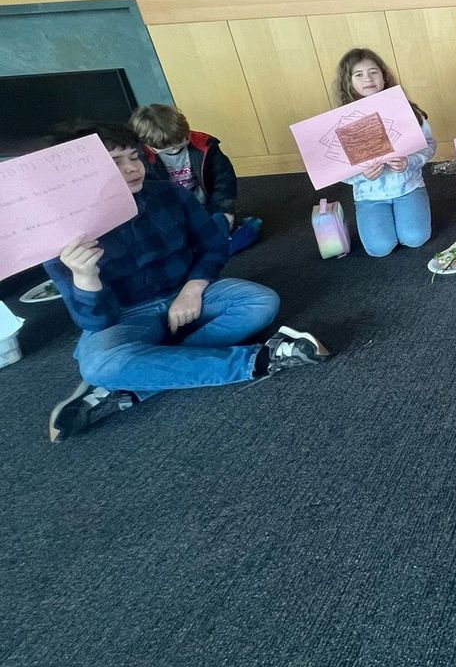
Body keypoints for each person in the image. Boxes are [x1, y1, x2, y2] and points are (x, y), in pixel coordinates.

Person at [42, 122, 330, 442]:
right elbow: (95, 320)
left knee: (261, 301)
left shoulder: (167, 194)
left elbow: (213, 244)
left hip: (188, 292)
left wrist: (193, 289)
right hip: (125, 316)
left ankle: (135, 382)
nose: (131, 168)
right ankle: (263, 358)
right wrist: (86, 277)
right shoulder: (62, 235)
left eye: (133, 157)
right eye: (115, 162)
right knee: (99, 364)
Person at [335, 48, 437, 258]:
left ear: (383, 76)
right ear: (348, 81)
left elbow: (429, 144)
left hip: (408, 187)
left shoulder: (406, 110)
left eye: (373, 72)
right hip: (369, 196)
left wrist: (409, 161)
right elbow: (337, 168)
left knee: (415, 238)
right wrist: (361, 175)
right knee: (379, 249)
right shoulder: (342, 120)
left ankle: (408, 214)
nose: (368, 79)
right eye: (359, 75)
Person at [131, 103, 262, 255]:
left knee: (229, 224)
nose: (175, 150)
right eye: (166, 149)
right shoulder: (141, 159)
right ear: (147, 144)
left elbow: (224, 181)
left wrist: (225, 211)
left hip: (204, 209)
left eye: (181, 142)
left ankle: (210, 245)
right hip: (173, 215)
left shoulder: (205, 145)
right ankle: (214, 245)